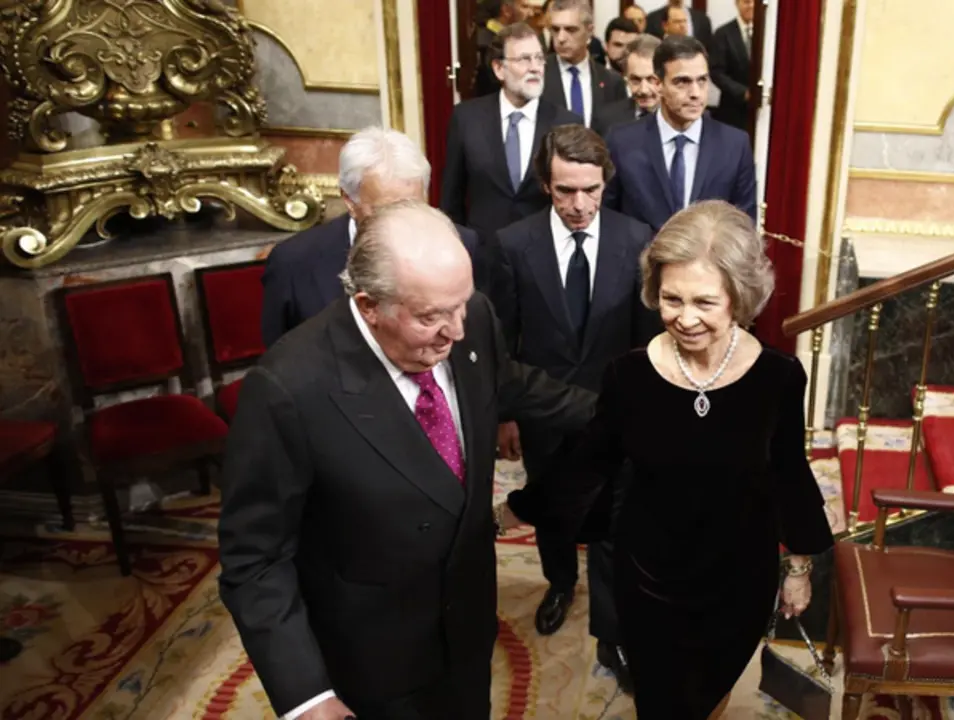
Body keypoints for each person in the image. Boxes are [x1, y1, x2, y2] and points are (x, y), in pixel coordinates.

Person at [218, 200, 597, 720]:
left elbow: (512, 385)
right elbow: (254, 560)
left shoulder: (471, 319)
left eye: (461, 305)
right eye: (431, 317)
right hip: (375, 657)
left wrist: (624, 408)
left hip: (467, 624)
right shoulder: (288, 389)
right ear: (370, 305)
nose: (456, 330)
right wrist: (306, 695)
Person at [504, 200, 833, 718]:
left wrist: (798, 566)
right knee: (659, 702)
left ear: (740, 299)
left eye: (705, 302)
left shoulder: (779, 377)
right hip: (651, 580)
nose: (685, 318)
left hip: (739, 579)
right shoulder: (629, 376)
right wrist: (523, 507)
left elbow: (789, 471)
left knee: (711, 694)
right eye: (670, 299)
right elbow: (591, 459)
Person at [492, 124, 660, 691]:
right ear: (546, 184)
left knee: (615, 525)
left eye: (591, 189)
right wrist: (507, 415)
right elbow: (504, 345)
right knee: (555, 510)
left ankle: (612, 636)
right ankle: (559, 583)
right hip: (542, 416)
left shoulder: (639, 240)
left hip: (617, 418)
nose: (580, 204)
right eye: (566, 191)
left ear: (605, 181)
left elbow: (645, 346)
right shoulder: (512, 246)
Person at [260, 127, 479, 347]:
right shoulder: (293, 264)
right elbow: (280, 364)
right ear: (349, 200)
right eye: (385, 211)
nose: (401, 223)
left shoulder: (460, 245)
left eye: (412, 207)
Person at [441, 22, 579, 296]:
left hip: (544, 260)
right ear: (498, 69)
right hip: (483, 260)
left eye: (539, 58)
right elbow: (451, 199)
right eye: (524, 59)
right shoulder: (467, 119)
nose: (535, 67)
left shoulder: (566, 123)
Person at [604, 36, 757, 232]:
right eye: (682, 82)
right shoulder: (621, 142)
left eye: (701, 80)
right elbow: (608, 219)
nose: (695, 93)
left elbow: (744, 227)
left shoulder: (735, 145)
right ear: (659, 85)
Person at [541, 0, 627, 129]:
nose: (561, 38)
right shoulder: (538, 75)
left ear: (589, 31)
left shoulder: (612, 82)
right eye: (555, 29)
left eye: (571, 30)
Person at [592, 34, 661, 138]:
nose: (644, 90)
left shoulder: (684, 118)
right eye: (635, 80)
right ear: (625, 77)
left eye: (651, 79)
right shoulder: (606, 121)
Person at [710, 0, 754, 131]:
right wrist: (743, 92)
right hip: (732, 109)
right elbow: (716, 72)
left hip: (760, 110)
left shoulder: (767, 33)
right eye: (746, 2)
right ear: (737, 4)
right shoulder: (723, 33)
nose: (751, 5)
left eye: (754, 2)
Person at [645, 0, 712, 48]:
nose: (682, 25)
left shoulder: (703, 20)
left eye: (684, 21)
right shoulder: (652, 19)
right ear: (665, 25)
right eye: (677, 21)